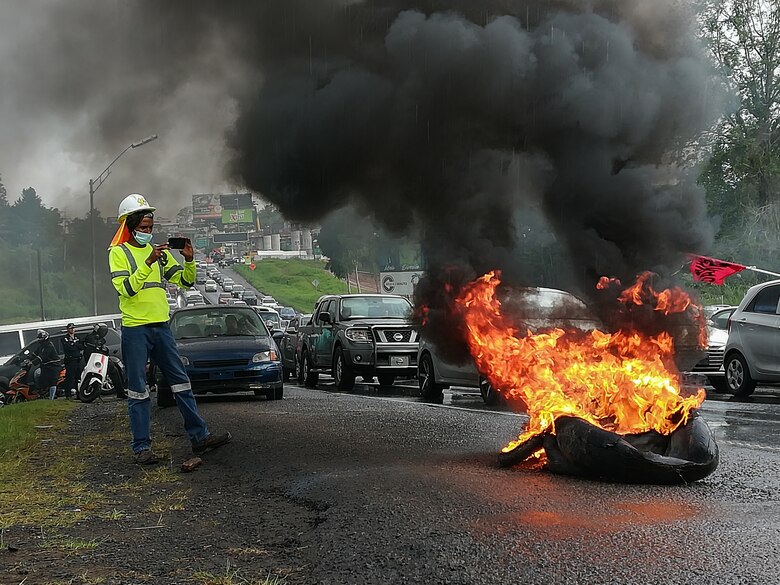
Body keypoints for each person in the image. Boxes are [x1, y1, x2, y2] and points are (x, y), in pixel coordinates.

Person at [108, 193, 231, 465]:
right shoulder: (118, 253)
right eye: (143, 227)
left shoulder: (160, 254)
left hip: (161, 327)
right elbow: (127, 289)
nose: (148, 232)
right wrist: (148, 262)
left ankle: (200, 437)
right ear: (129, 226)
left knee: (181, 383)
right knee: (138, 390)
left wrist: (189, 260)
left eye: (151, 227)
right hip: (136, 329)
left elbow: (185, 283)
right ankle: (142, 448)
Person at [35, 330, 61, 400]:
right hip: (46, 366)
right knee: (37, 374)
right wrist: (27, 358)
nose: (39, 339)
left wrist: (33, 362)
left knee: (52, 381)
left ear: (45, 337)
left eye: (40, 338)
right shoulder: (41, 346)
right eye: (39, 338)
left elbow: (43, 356)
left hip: (53, 366)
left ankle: (51, 398)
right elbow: (35, 353)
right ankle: (41, 391)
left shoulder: (49, 345)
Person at [61, 323, 83, 399]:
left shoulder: (77, 337)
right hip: (70, 360)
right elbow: (69, 348)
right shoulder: (65, 338)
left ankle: (79, 394)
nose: (72, 330)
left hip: (78, 360)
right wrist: (75, 344)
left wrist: (74, 344)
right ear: (67, 329)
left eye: (73, 328)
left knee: (78, 378)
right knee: (70, 378)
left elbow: (81, 346)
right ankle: (68, 394)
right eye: (71, 328)